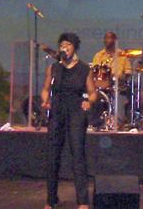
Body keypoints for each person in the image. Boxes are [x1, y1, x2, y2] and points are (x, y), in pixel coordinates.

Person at [41, 32, 97, 209]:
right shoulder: (54, 68)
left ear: (74, 47)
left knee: (77, 154)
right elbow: (45, 89)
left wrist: (89, 101)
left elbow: (93, 92)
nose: (64, 48)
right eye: (62, 45)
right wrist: (45, 100)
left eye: (68, 45)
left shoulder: (83, 68)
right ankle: (51, 199)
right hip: (57, 111)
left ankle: (82, 201)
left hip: (76, 112)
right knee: (53, 155)